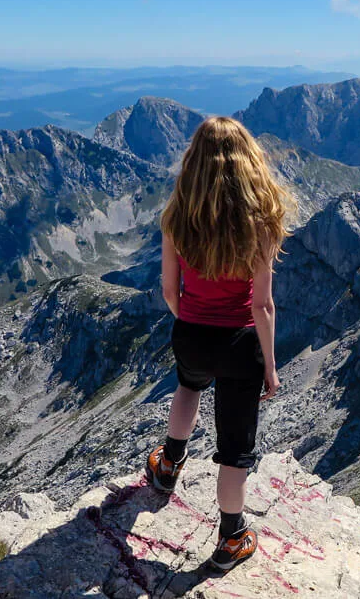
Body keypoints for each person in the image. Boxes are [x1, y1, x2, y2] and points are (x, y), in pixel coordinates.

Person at [145, 116, 292, 571]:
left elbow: (170, 291)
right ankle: (232, 536)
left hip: (190, 333)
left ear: (195, 162)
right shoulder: (261, 222)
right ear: (248, 161)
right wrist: (268, 364)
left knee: (188, 387)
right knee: (234, 448)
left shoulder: (178, 217)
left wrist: (191, 322)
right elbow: (262, 306)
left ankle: (168, 464)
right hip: (240, 344)